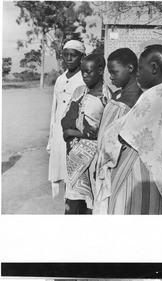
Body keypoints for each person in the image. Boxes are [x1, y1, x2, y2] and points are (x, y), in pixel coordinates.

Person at [94, 43, 162, 215]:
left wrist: (108, 135)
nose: (138, 72)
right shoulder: (159, 93)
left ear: (154, 68)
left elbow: (122, 132)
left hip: (142, 171)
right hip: (147, 167)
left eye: (141, 68)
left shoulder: (155, 98)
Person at [61, 54, 113, 214]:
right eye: (82, 72)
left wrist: (73, 131)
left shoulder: (107, 97)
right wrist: (78, 130)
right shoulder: (79, 91)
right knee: (74, 202)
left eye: (88, 72)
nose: (84, 76)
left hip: (93, 159)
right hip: (73, 155)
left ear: (100, 70)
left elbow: (107, 132)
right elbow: (65, 121)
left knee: (91, 204)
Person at [93, 48, 142, 214]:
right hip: (104, 161)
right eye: (109, 73)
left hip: (119, 163)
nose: (111, 77)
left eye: (114, 72)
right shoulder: (117, 95)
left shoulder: (136, 100)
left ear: (130, 69)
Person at [47, 40, 85, 198]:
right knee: (61, 170)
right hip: (58, 133)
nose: (69, 58)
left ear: (81, 57)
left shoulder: (85, 78)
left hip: (75, 133)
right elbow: (54, 111)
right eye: (65, 55)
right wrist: (51, 138)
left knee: (76, 178)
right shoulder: (60, 79)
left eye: (73, 55)